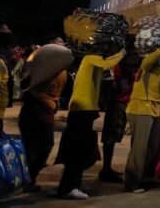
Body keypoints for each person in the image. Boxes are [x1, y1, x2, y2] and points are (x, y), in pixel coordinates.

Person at [56, 49, 127, 200]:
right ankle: (68, 187)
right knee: (77, 151)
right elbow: (109, 63)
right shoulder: (90, 58)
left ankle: (73, 184)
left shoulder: (92, 63)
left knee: (82, 151)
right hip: (82, 109)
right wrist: (122, 52)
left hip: (85, 110)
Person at [18, 45, 70, 192]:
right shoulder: (49, 70)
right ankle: (29, 179)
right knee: (41, 147)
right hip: (40, 112)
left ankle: (28, 179)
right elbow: (25, 85)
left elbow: (24, 85)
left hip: (37, 111)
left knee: (34, 147)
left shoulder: (56, 71)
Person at [124, 35, 160, 193]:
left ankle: (144, 177)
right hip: (141, 107)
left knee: (152, 146)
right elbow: (146, 63)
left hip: (153, 108)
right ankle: (132, 181)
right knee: (140, 148)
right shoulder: (147, 62)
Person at [99, 48, 141, 183]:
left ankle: (106, 169)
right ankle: (106, 169)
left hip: (124, 102)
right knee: (111, 137)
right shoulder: (120, 67)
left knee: (113, 136)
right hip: (118, 103)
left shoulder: (127, 67)